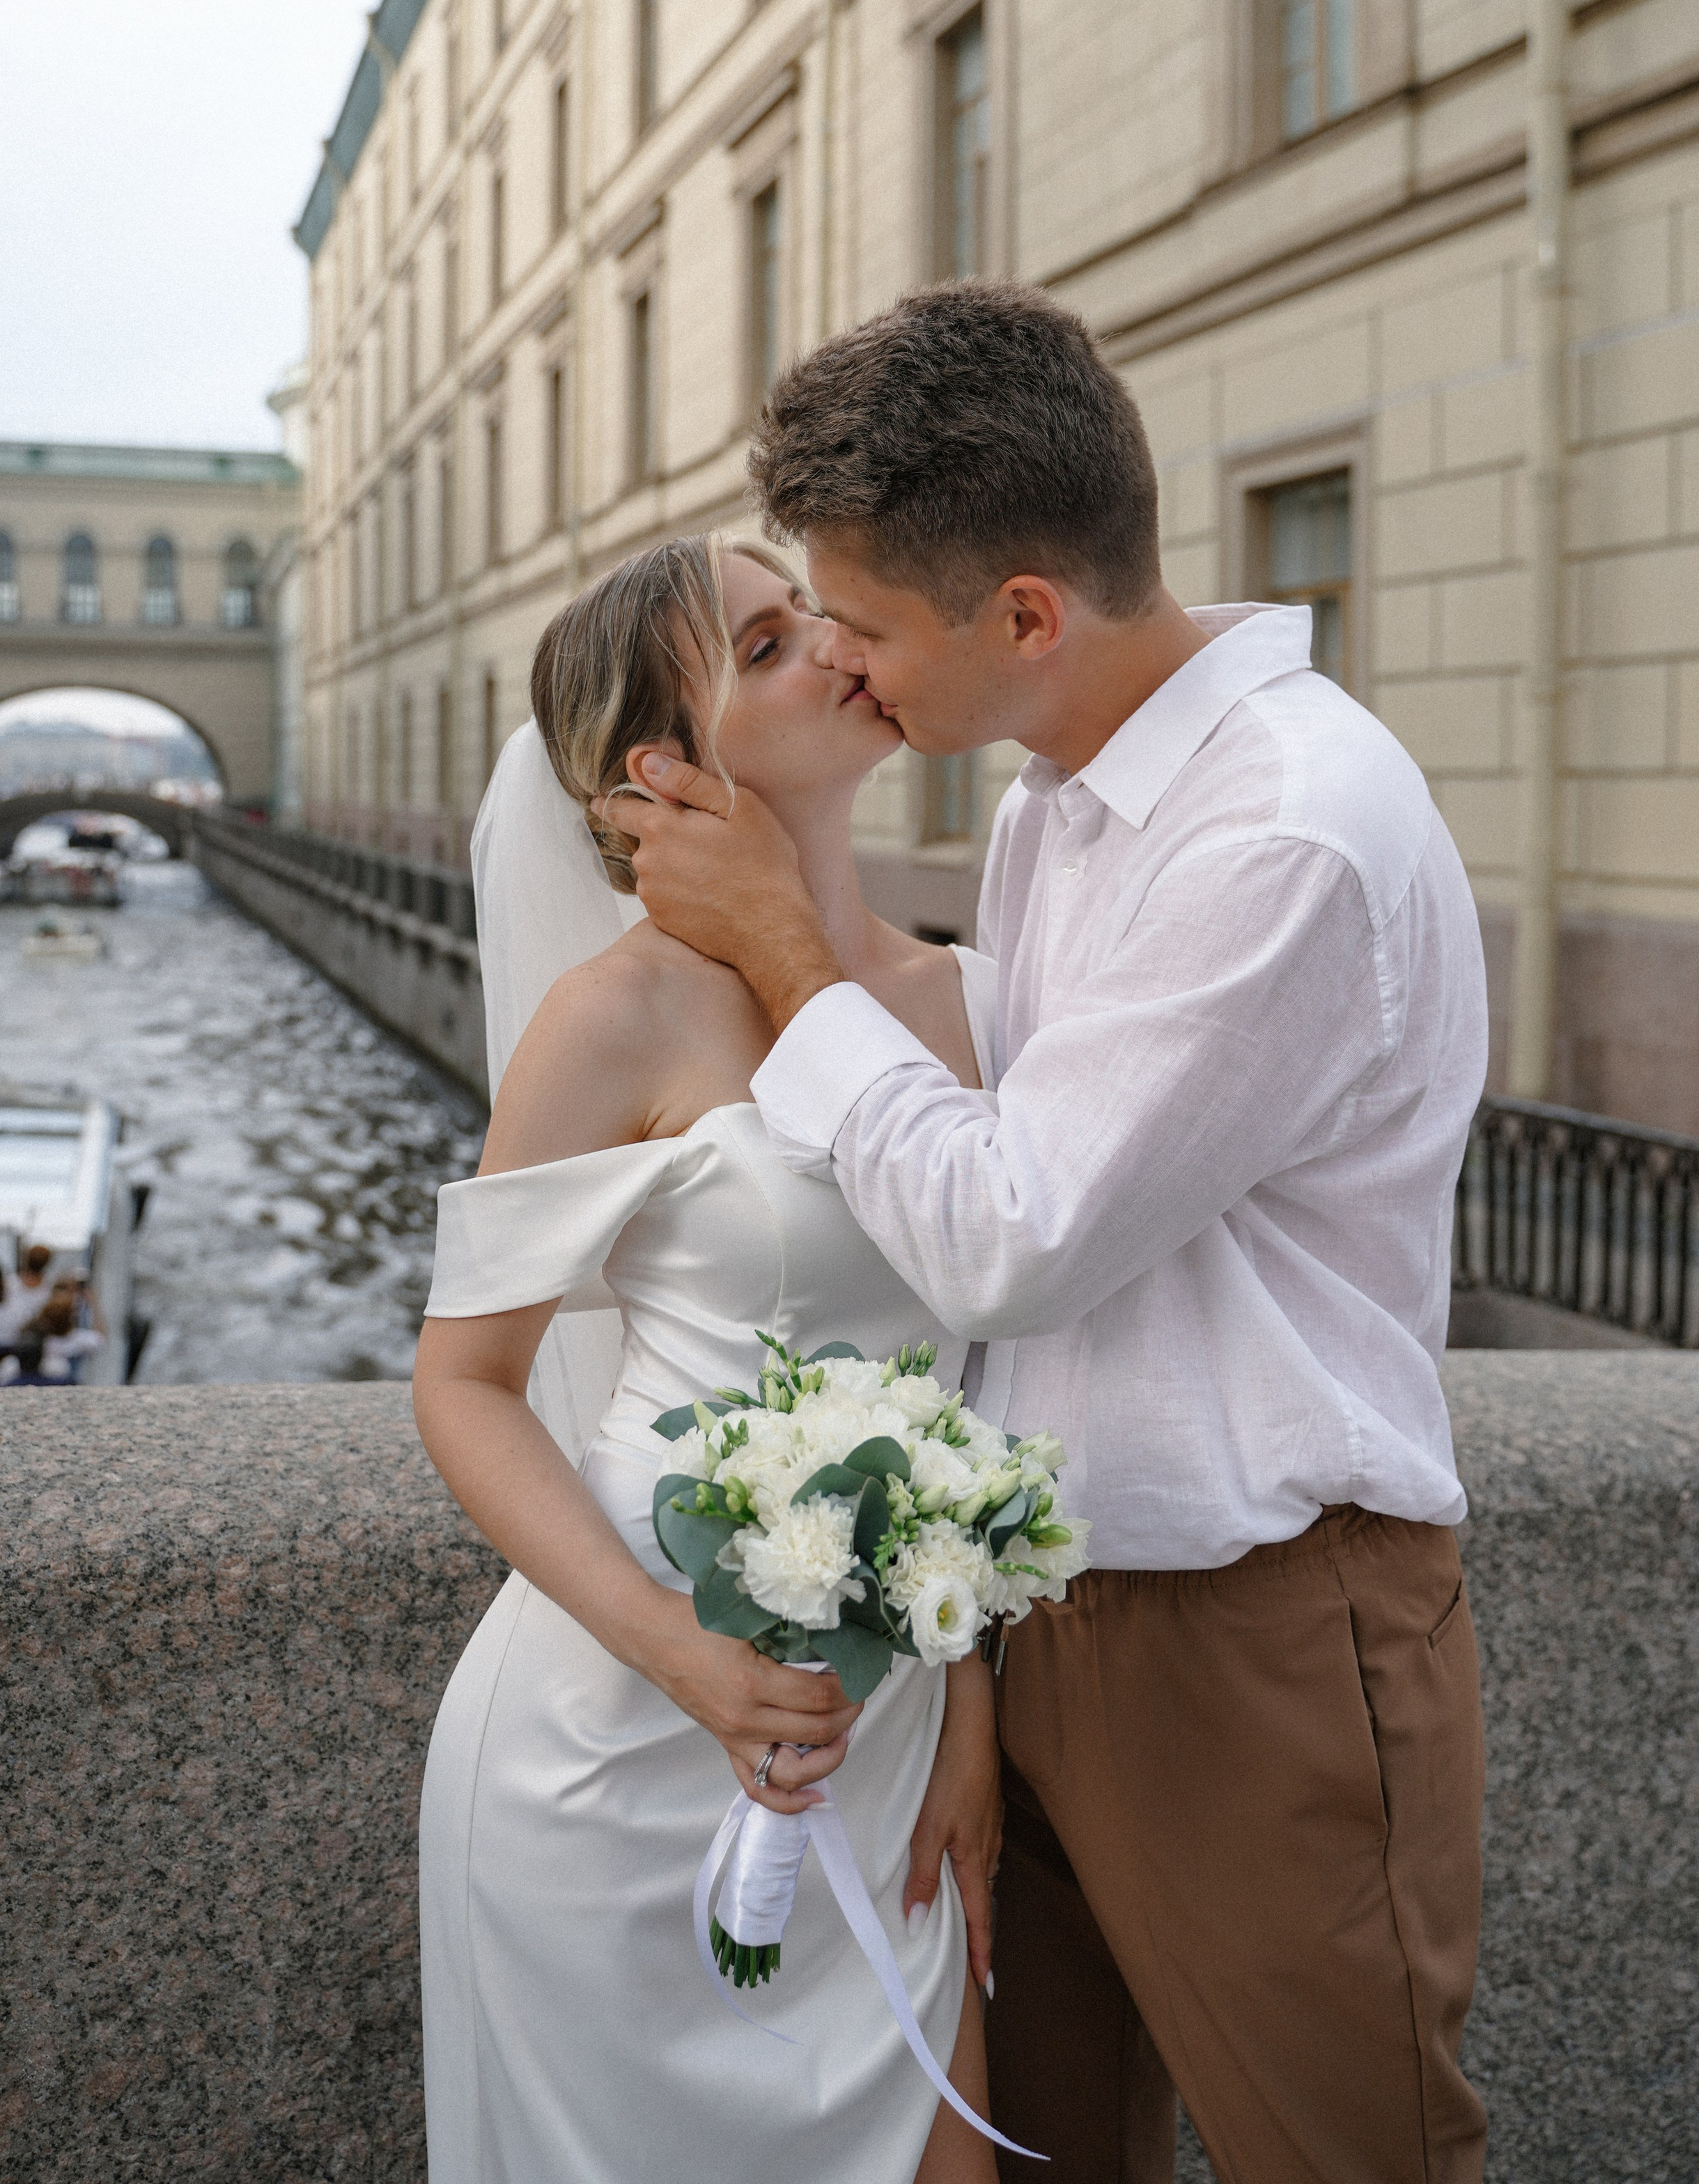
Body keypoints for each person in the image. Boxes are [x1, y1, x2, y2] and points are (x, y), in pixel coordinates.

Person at [616, 279, 1492, 2184]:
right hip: (1034, 1615)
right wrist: (979, 1677)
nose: (851, 672)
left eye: (862, 626)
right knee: (1041, 2159)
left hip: (1259, 1632)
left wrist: (781, 945)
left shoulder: (1284, 829)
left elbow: (1010, 1234)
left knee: (1343, 2159)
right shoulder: (1054, 803)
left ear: (1025, 615)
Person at [412, 535, 1009, 2184]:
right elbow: (462, 1383)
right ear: (656, 776)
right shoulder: (615, 1017)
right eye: (759, 645)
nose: (830, 644)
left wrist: (966, 1711)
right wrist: (672, 1648)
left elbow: (978, 1393)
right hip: (612, 1751)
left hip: (881, 1740)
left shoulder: (970, 1003)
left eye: (809, 613)